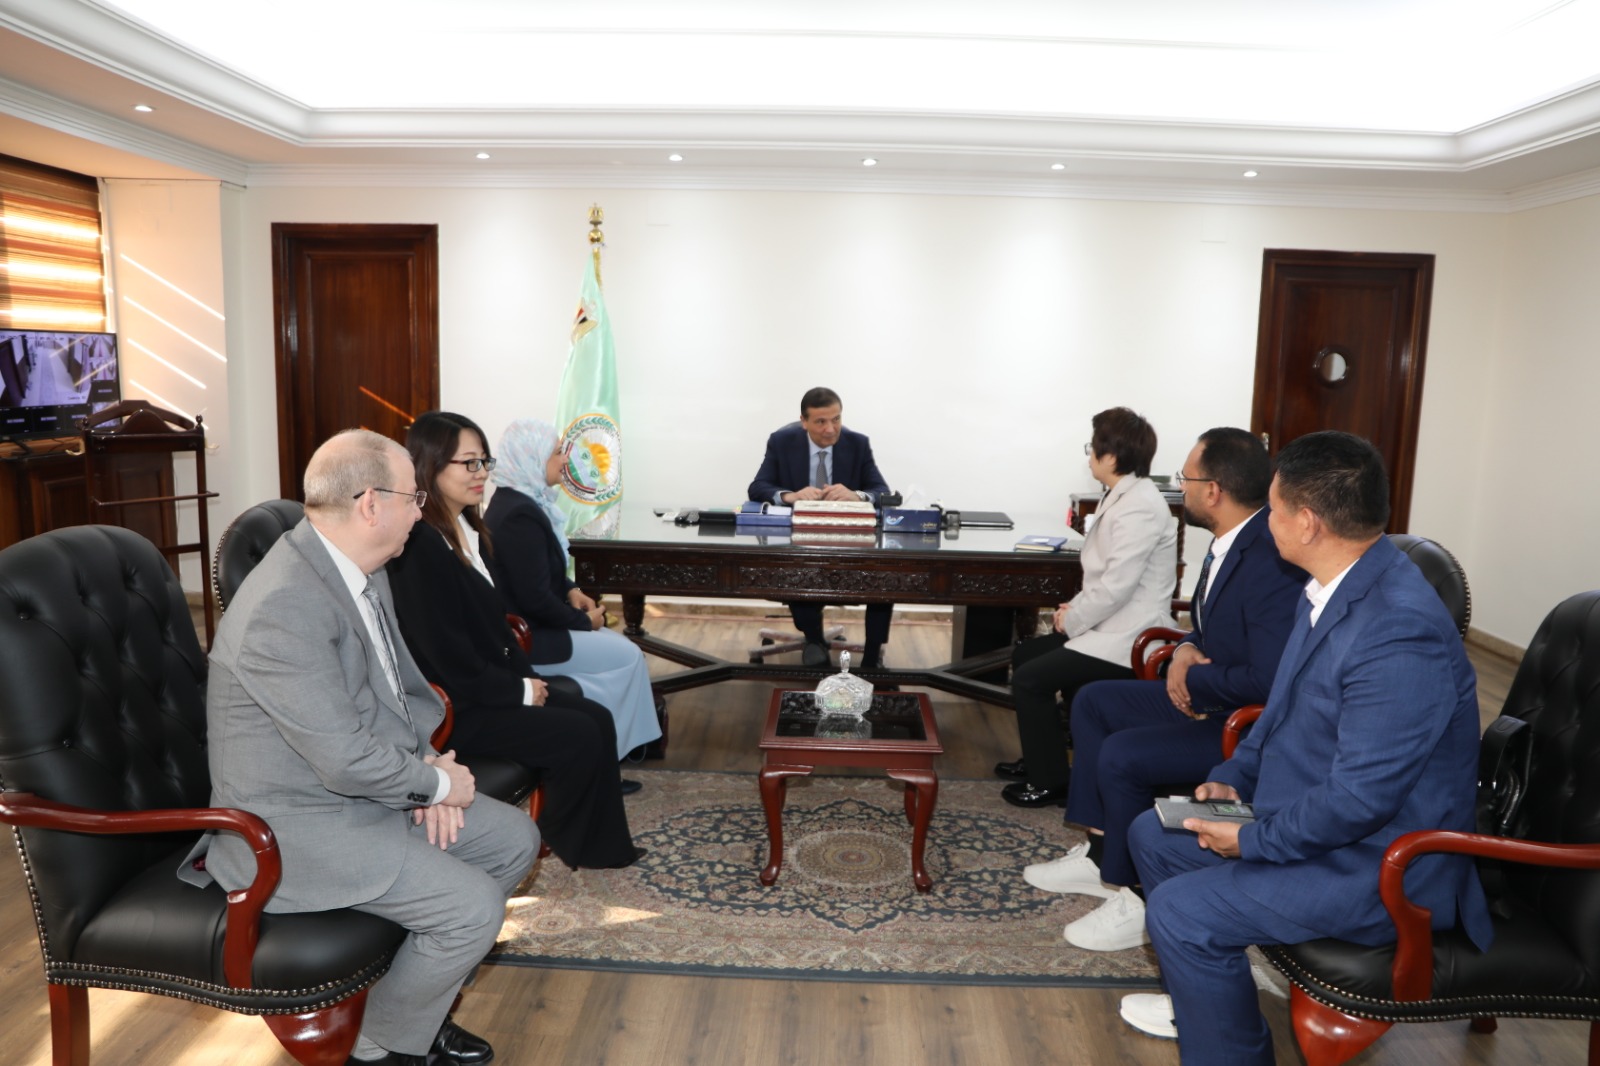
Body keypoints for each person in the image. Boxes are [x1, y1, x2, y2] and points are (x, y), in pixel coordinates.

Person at [1118, 431, 1492, 1065]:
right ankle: (1215, 1012)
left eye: (1273, 508)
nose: (1266, 521)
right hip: (1323, 830)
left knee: (1182, 912)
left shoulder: (1399, 629)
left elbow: (1361, 800)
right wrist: (1235, 775)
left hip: (1380, 867)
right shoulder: (1330, 586)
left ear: (1308, 522)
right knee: (1153, 834)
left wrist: (1253, 839)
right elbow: (1280, 710)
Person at [189, 428, 537, 1066]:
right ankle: (378, 1046)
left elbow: (393, 695)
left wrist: (425, 765)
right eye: (413, 497)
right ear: (371, 504)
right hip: (294, 829)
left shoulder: (357, 568)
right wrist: (437, 786)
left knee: (515, 839)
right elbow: (344, 758)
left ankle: (412, 1008)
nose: (421, 512)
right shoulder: (284, 606)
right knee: (472, 908)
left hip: (362, 794)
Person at [1021, 428, 1305, 952]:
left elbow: (1269, 679)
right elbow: (1214, 627)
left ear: (1213, 491)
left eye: (1186, 478)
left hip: (1241, 723)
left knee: (1123, 755)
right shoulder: (1231, 542)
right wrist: (1185, 648)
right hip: (1211, 693)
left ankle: (1136, 894)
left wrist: (1192, 677)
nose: (1181, 488)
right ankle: (1100, 855)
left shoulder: (1269, 559)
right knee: (1095, 702)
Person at [387, 411, 643, 870]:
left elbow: (499, 631)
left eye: (484, 461)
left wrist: (528, 682)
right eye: (468, 463)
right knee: (579, 731)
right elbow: (446, 656)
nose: (481, 473)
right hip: (456, 709)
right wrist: (520, 690)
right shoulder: (421, 546)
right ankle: (565, 839)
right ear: (430, 465)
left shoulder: (469, 530)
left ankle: (587, 842)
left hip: (489, 688)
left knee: (596, 716)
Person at [996, 407, 1177, 808]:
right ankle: (1042, 758)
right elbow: (1105, 579)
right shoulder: (1124, 494)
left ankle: (1050, 781)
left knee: (1030, 678)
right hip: (1111, 624)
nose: (1089, 456)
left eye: (1092, 448)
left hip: (1131, 636)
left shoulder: (1140, 505)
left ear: (1110, 456)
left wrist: (1072, 618)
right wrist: (1072, 609)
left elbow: (1116, 587)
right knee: (1026, 655)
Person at [483, 417, 661, 758]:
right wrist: (584, 622)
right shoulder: (519, 514)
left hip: (539, 626)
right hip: (529, 638)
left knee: (626, 654)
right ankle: (613, 749)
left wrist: (571, 590)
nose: (565, 459)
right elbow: (534, 598)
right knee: (628, 656)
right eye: (556, 452)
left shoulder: (521, 502)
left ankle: (618, 748)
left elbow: (541, 572)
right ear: (533, 458)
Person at [747, 386, 893, 667]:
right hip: (800, 538)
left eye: (836, 419)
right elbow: (758, 487)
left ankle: (873, 656)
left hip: (848, 541)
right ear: (803, 421)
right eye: (821, 421)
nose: (830, 429)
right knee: (797, 564)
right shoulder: (782, 442)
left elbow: (881, 491)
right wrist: (790, 496)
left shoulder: (857, 443)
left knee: (885, 571)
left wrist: (857, 495)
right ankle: (814, 639)